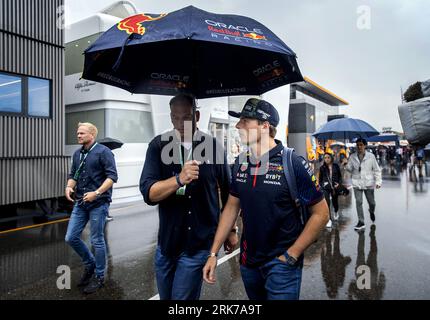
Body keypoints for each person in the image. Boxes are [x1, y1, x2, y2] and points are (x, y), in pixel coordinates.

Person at [203, 98, 329, 300]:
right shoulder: (241, 162)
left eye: (245, 121)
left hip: (282, 266)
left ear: (264, 126)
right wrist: (213, 253)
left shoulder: (292, 162)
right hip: (249, 265)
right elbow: (231, 208)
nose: (238, 126)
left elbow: (321, 214)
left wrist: (292, 255)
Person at [139, 93, 236, 300]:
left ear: (197, 115)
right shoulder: (158, 146)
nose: (180, 123)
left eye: (186, 117)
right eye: (175, 117)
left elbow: (229, 193)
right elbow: (148, 193)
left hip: (199, 244)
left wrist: (231, 230)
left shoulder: (214, 146)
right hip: (167, 245)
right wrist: (178, 179)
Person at [65, 122, 118, 294]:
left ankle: (99, 276)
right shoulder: (77, 154)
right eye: (77, 133)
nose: (78, 135)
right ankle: (90, 264)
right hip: (80, 202)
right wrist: (68, 186)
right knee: (70, 237)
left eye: (81, 133)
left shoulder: (104, 152)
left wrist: (97, 192)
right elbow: (74, 174)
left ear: (91, 135)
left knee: (97, 239)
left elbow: (112, 177)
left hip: (98, 203)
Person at [343, 138, 382, 230]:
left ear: (365, 146)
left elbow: (376, 170)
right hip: (357, 183)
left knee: (372, 203)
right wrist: (345, 164)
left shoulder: (371, 156)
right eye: (357, 145)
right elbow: (349, 169)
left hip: (369, 183)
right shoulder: (352, 157)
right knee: (359, 202)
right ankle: (361, 221)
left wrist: (378, 181)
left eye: (361, 145)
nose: (359, 147)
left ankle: (371, 211)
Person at [319, 152, 343, 228]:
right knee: (327, 203)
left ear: (331, 158)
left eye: (328, 157)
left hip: (335, 187)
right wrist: (322, 186)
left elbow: (340, 177)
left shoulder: (336, 166)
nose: (326, 159)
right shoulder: (322, 168)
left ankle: (336, 211)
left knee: (335, 202)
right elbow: (320, 179)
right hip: (326, 188)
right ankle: (329, 219)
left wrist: (339, 184)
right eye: (325, 158)